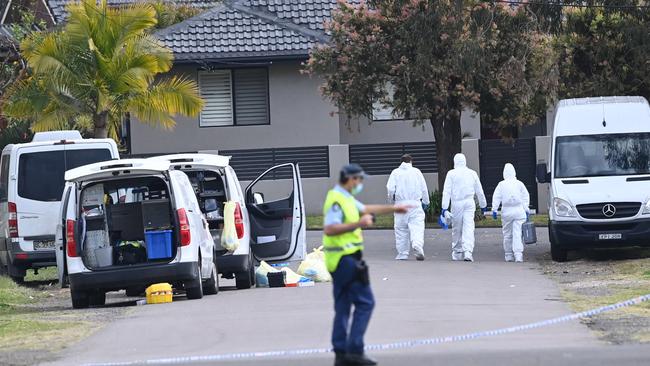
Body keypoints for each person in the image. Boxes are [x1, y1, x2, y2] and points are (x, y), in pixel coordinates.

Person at [323, 164, 410, 366]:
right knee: (365, 302)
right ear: (350, 179)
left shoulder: (345, 198)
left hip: (341, 261)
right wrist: (359, 224)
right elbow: (330, 228)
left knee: (343, 306)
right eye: (359, 179)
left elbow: (366, 209)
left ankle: (341, 354)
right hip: (346, 260)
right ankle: (354, 349)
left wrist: (394, 208)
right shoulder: (337, 200)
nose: (360, 183)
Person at [441, 153, 487, 262]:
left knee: (457, 228)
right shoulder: (472, 173)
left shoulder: (451, 174)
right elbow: (479, 191)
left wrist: (444, 208)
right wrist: (483, 205)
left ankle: (457, 251)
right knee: (469, 226)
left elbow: (446, 191)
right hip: (469, 202)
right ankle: (468, 251)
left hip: (457, 203)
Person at [386, 154, 430, 261]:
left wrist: (391, 200)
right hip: (415, 203)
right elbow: (424, 188)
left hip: (400, 204)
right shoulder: (417, 172)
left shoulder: (395, 172)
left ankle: (402, 253)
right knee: (417, 227)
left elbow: (390, 188)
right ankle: (417, 245)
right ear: (411, 162)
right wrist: (426, 201)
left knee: (401, 229)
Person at [491, 163, 530, 262]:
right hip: (519, 211)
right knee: (517, 233)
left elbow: (496, 197)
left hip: (506, 212)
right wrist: (526, 209)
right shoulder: (519, 183)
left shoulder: (501, 184)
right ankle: (518, 255)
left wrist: (494, 209)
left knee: (507, 234)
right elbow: (525, 196)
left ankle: (508, 255)